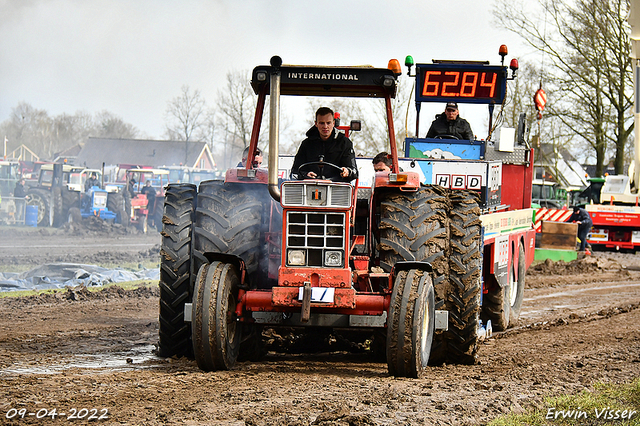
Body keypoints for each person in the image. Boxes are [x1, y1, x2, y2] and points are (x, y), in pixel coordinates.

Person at [291, 107, 358, 182]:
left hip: (337, 189)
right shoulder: (306, 144)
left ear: (333, 123)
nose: (325, 127)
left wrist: (347, 171)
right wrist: (306, 174)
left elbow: (354, 172)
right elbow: (295, 172)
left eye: (328, 123)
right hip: (311, 188)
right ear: (316, 124)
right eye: (322, 123)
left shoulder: (345, 143)